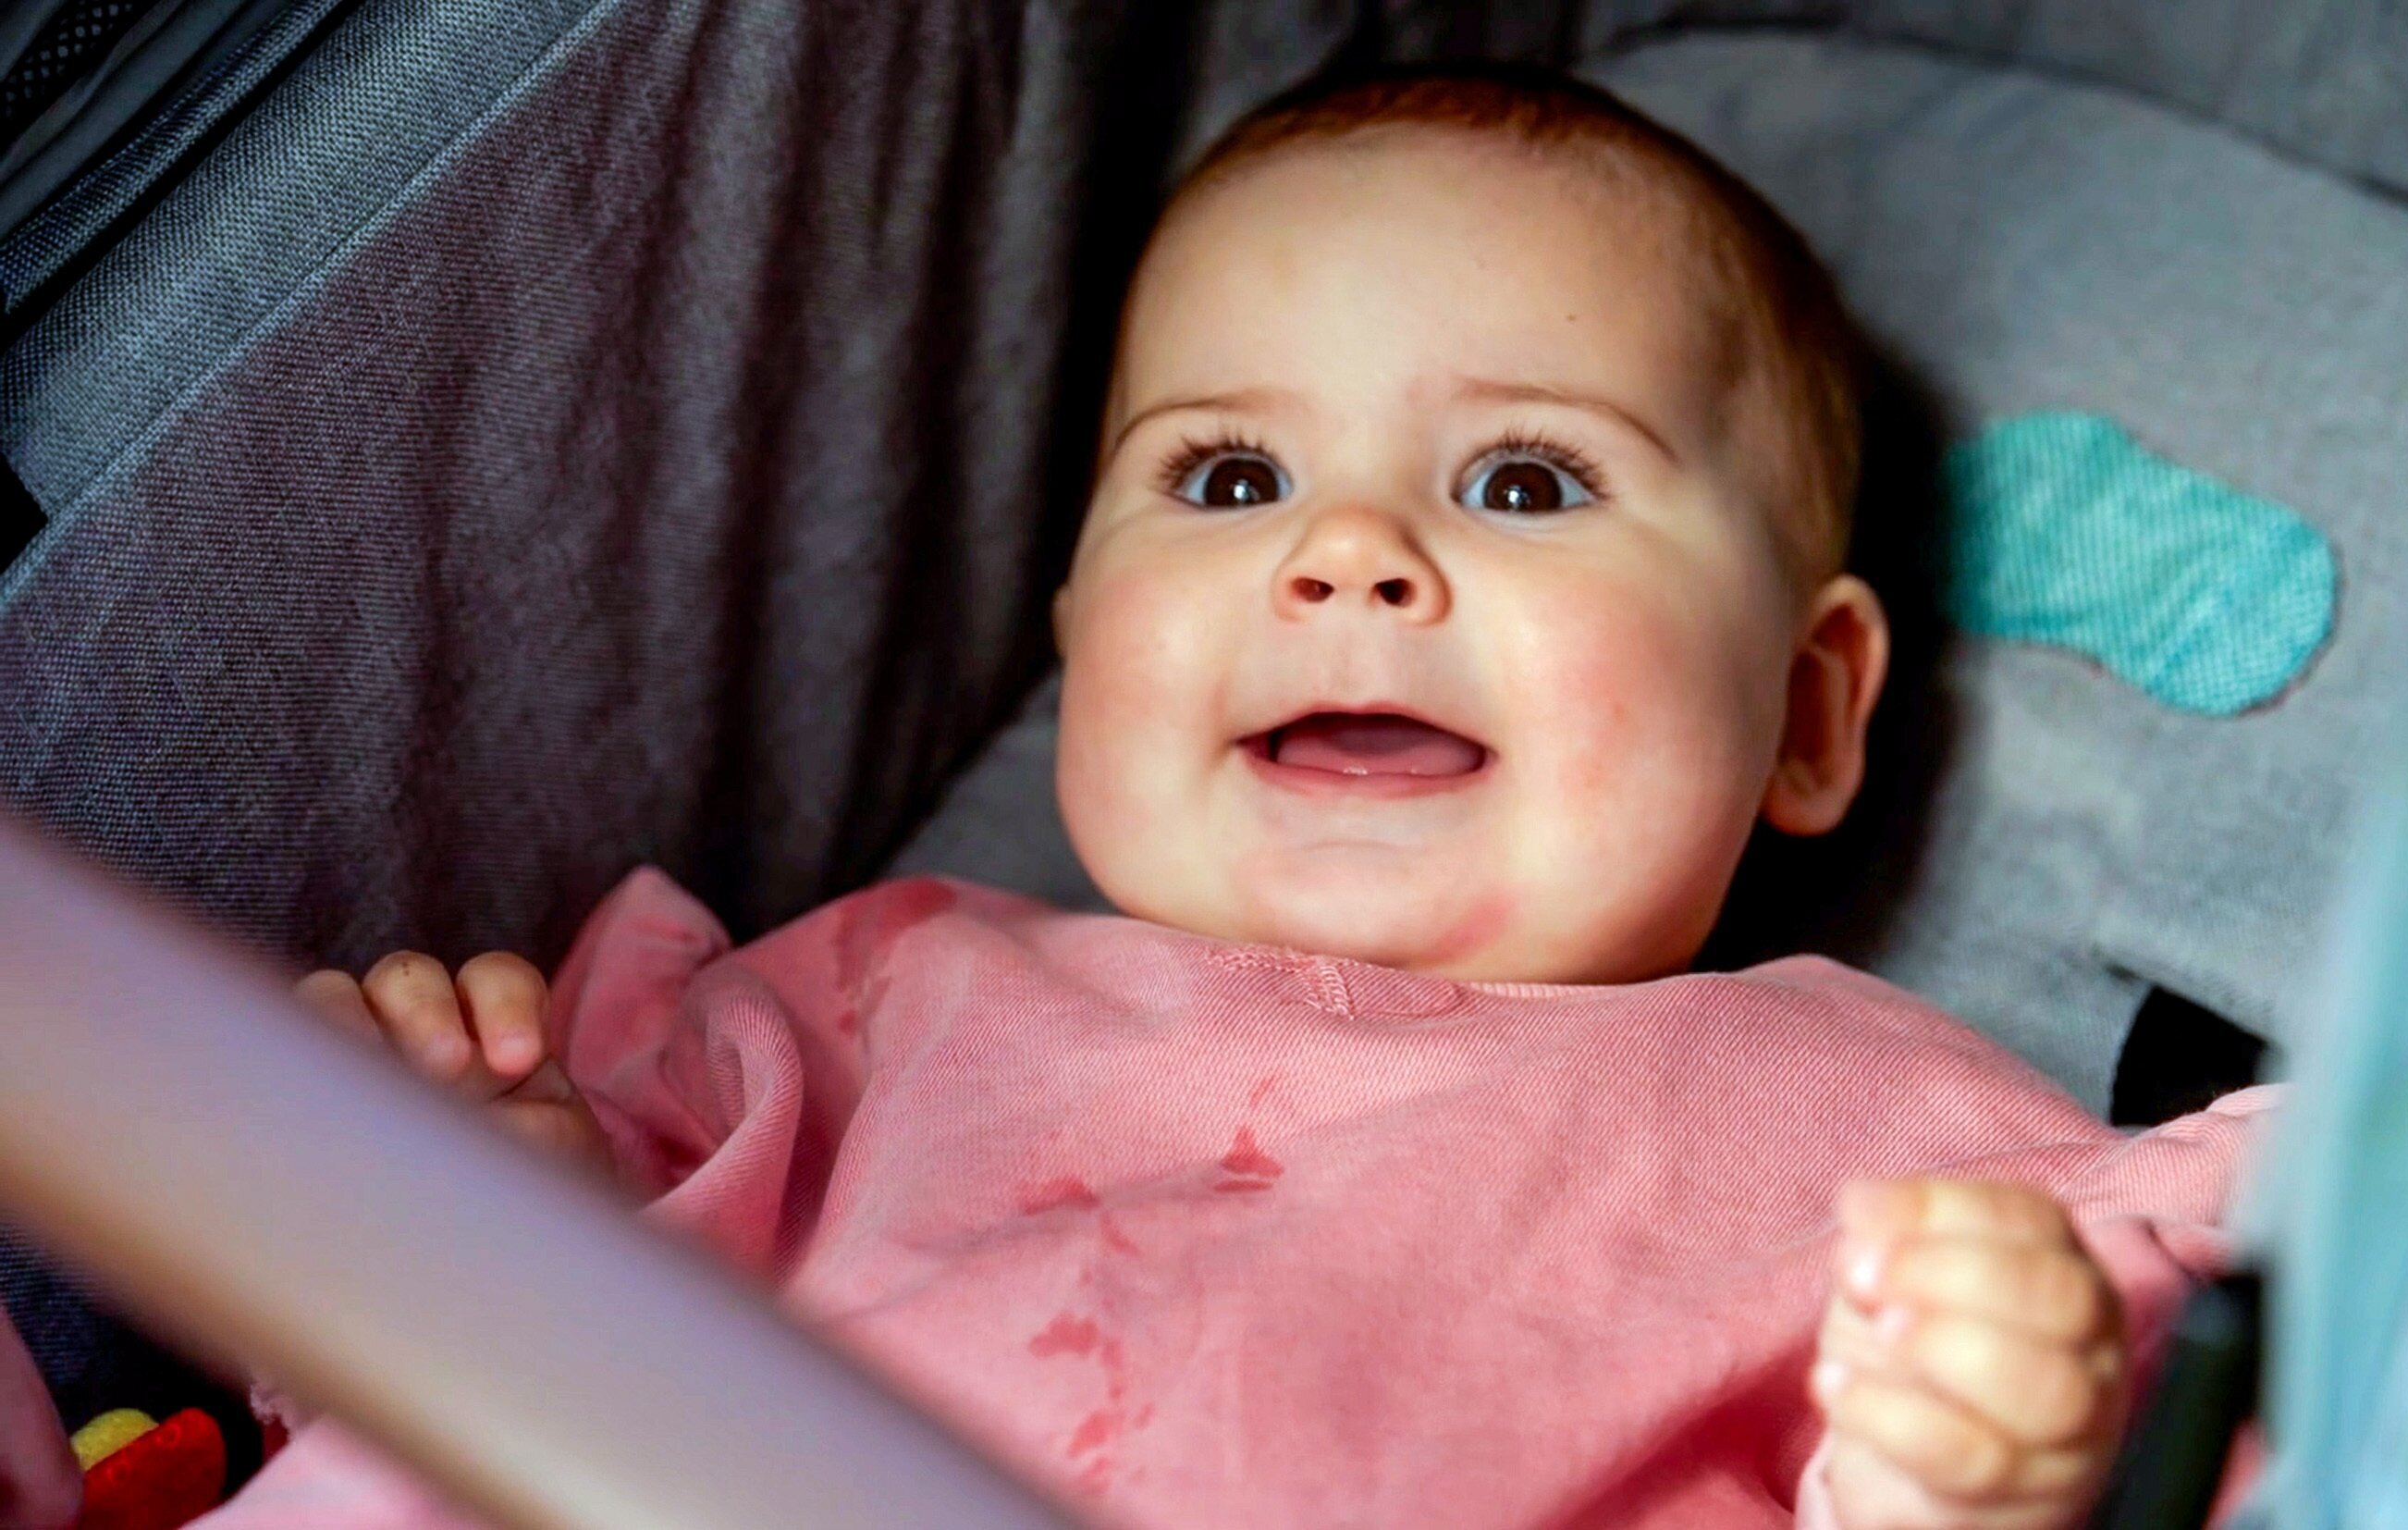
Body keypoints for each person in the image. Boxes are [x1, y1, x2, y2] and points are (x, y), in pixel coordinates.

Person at [202, 67, 2265, 1530]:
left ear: (1807, 709)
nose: (1346, 553)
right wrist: (489, 1186)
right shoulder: (869, 996)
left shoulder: (1874, 1132)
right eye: (1229, 475)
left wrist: (1981, 1443)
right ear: (1080, 634)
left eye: (1523, 480)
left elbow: (2224, 1380)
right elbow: (556, 1343)